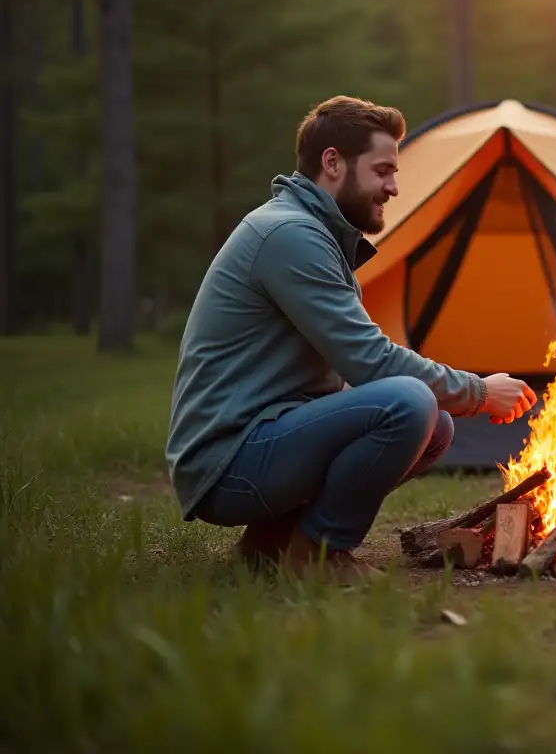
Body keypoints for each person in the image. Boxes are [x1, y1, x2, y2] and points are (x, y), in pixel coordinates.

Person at [166, 95, 536, 584]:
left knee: (435, 425)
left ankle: (271, 544)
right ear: (333, 162)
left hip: (257, 438)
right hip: (225, 462)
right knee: (408, 403)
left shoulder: (309, 232)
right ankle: (318, 553)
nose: (394, 187)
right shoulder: (289, 235)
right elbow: (371, 363)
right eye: (383, 170)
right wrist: (481, 392)